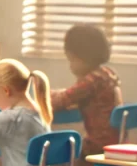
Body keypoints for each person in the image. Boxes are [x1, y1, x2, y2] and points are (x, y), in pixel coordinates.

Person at [50, 24, 123, 155]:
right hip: (116, 141)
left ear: (83, 58)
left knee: (56, 152)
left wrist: (43, 94)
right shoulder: (107, 73)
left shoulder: (91, 81)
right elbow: (72, 93)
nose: (70, 67)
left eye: (71, 60)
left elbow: (61, 101)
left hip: (98, 146)